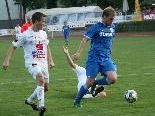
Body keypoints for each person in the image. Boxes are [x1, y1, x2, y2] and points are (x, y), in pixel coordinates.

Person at [2, 12, 55, 116]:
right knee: (41, 79)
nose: (44, 24)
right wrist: (6, 61)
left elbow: (47, 47)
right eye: (42, 22)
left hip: (43, 63)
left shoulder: (43, 33)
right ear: (35, 21)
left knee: (46, 88)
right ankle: (41, 106)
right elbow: (13, 46)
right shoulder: (25, 34)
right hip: (32, 62)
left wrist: (51, 60)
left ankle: (29, 100)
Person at [72, 7, 117, 107]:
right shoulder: (95, 27)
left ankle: (96, 83)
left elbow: (109, 42)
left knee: (112, 78)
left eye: (113, 19)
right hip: (94, 59)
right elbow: (84, 40)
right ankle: (77, 101)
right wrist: (78, 53)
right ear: (104, 17)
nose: (112, 21)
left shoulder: (112, 27)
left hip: (106, 59)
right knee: (89, 82)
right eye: (111, 18)